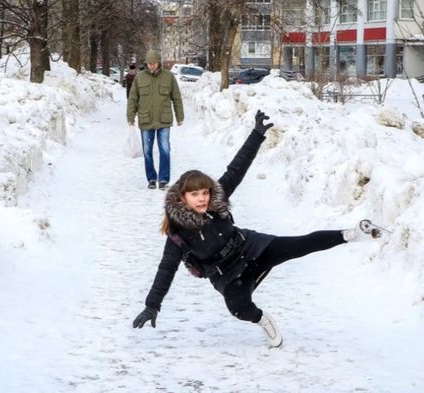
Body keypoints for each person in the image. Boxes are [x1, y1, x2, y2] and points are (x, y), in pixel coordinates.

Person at [132, 110, 379, 347]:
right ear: (182, 197)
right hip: (228, 275)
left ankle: (350, 235)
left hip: (251, 249)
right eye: (194, 194)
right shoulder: (178, 232)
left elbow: (236, 169)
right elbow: (166, 270)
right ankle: (263, 320)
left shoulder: (215, 202)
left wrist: (257, 134)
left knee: (300, 244)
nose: (202, 198)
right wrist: (152, 305)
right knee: (239, 309)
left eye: (204, 192)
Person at [127, 49, 184, 190]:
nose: (152, 65)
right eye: (149, 63)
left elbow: (176, 97)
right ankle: (152, 179)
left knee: (165, 149)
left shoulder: (168, 77)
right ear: (146, 64)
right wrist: (130, 116)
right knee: (147, 151)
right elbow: (133, 98)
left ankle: (163, 179)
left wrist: (179, 116)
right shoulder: (139, 77)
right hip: (146, 120)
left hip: (163, 120)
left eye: (154, 63)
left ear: (159, 62)